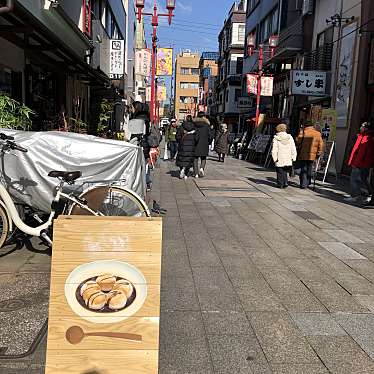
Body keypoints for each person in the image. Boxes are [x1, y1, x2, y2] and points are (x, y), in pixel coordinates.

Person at [345, 121, 374, 203]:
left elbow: (362, 153)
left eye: (362, 126)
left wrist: (355, 164)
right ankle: (369, 194)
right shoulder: (362, 136)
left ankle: (355, 196)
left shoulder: (366, 138)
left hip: (361, 163)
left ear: (366, 128)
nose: (360, 128)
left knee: (354, 179)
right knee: (364, 179)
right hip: (363, 162)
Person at [296, 121, 324, 189]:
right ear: (312, 126)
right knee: (310, 168)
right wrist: (319, 152)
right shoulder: (318, 133)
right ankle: (308, 182)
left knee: (303, 168)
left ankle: (303, 184)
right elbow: (321, 144)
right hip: (313, 155)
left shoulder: (303, 132)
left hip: (303, 153)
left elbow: (298, 141)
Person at [272, 123, 297, 188]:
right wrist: (293, 157)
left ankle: (280, 184)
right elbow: (293, 148)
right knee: (285, 170)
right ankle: (285, 182)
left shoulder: (276, 138)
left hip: (279, 157)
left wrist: (274, 158)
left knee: (279, 171)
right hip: (288, 158)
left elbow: (274, 149)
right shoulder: (290, 137)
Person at [193, 111, 212, 178]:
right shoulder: (207, 125)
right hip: (204, 144)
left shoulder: (194, 124)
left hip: (195, 144)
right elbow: (210, 136)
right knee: (203, 158)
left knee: (195, 159)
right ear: (204, 116)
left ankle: (196, 173)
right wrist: (209, 142)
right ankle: (201, 168)